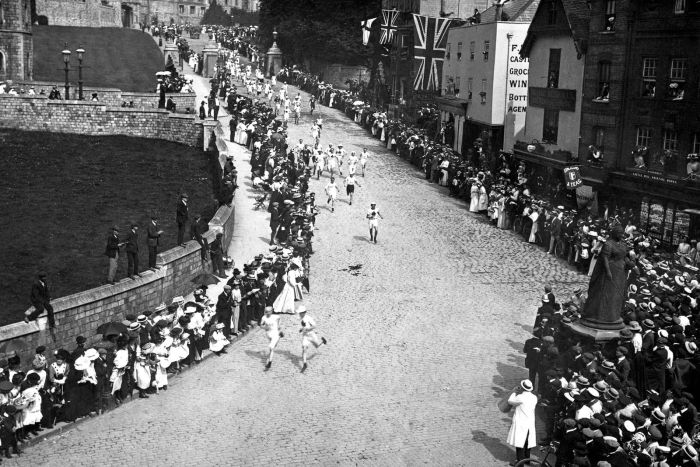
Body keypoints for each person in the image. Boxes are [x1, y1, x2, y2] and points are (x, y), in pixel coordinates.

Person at [506, 379, 538, 465]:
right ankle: (527, 460)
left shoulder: (520, 397)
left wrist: (514, 391)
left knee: (520, 444)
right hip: (530, 422)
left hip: (521, 422)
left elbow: (510, 401)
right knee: (528, 442)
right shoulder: (534, 397)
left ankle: (520, 463)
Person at [297, 305, 327, 372]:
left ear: (304, 312)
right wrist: (301, 329)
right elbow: (303, 326)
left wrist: (307, 328)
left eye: (300, 313)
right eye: (299, 313)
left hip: (312, 335)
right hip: (305, 336)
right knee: (304, 348)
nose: (299, 314)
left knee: (317, 346)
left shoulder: (309, 318)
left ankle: (323, 342)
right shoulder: (300, 318)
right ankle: (304, 363)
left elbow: (314, 326)